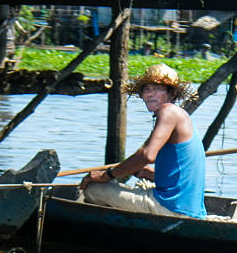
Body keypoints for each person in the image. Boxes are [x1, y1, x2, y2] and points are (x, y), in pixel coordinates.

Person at [80, 64, 207, 219]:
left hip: (171, 207)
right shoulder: (180, 116)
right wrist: (145, 172)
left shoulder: (168, 111)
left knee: (92, 189)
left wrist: (107, 175)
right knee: (139, 183)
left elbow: (147, 155)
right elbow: (177, 175)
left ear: (171, 94)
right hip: (189, 209)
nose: (151, 94)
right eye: (147, 89)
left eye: (158, 89)